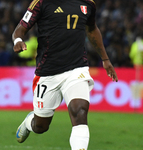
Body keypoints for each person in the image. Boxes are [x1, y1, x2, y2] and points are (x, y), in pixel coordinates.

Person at [12, 0, 118, 149]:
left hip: (76, 69)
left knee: (80, 110)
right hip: (48, 73)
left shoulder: (88, 3)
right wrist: (17, 40)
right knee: (40, 126)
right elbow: (20, 29)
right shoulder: (41, 3)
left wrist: (105, 59)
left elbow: (92, 28)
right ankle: (30, 122)